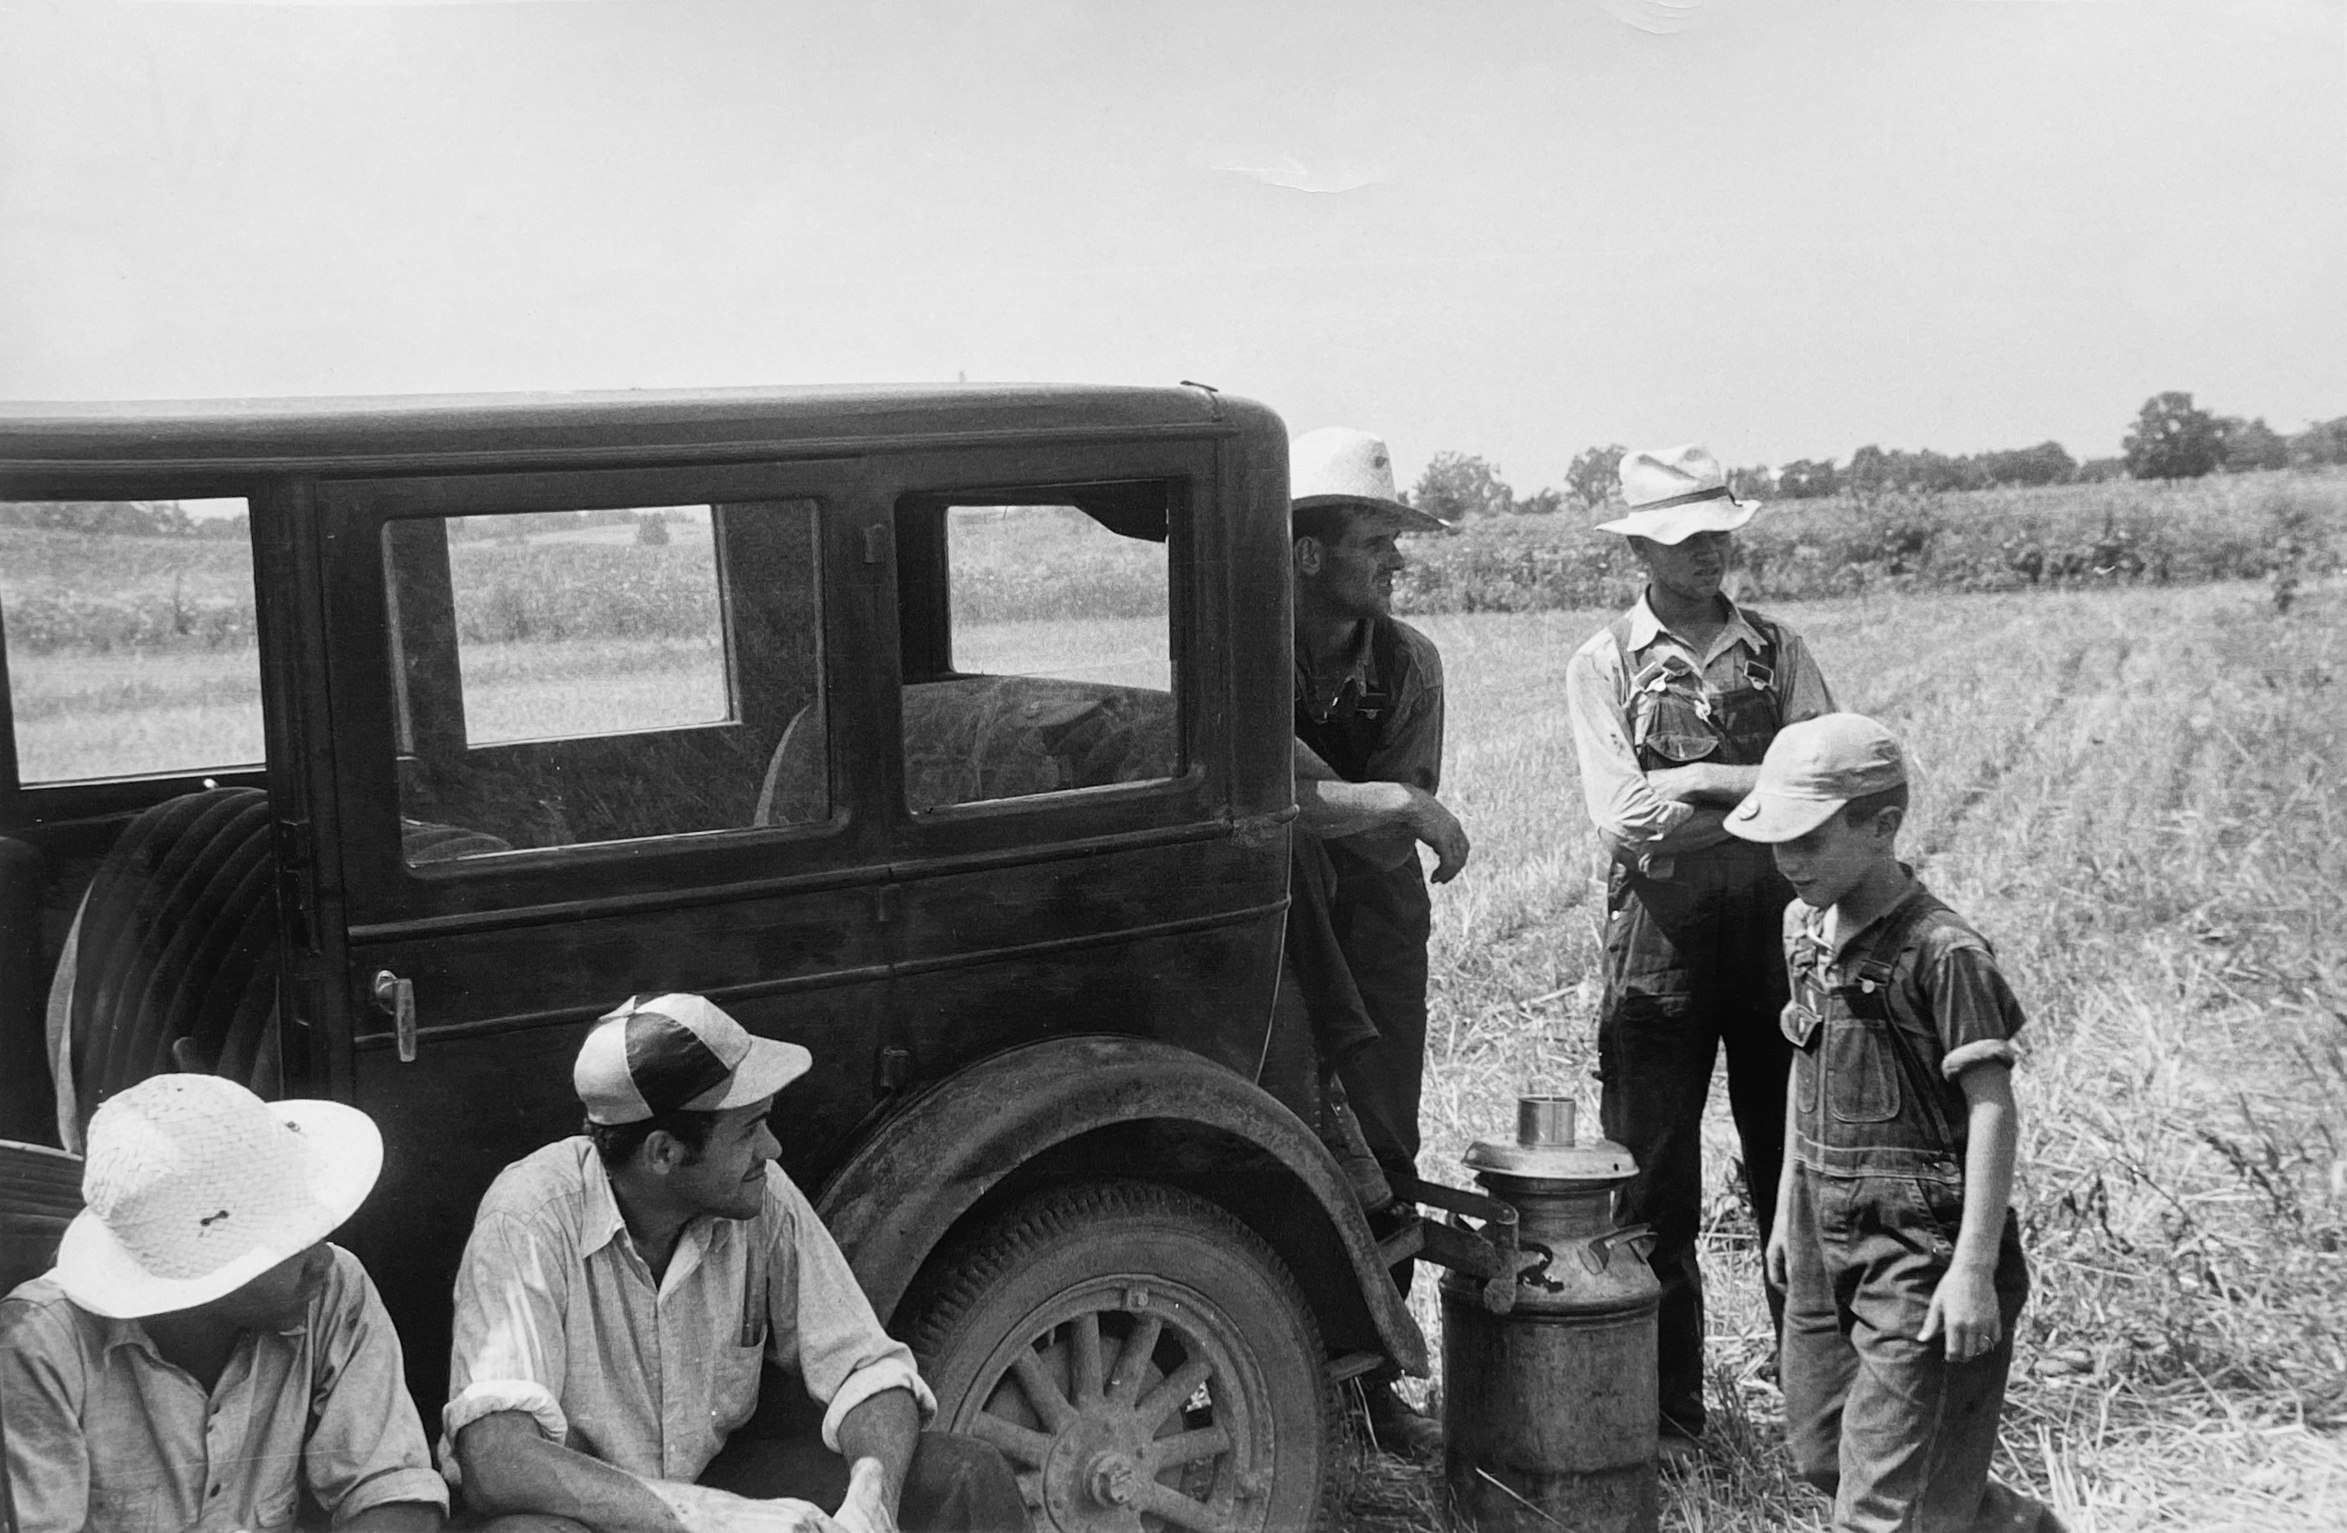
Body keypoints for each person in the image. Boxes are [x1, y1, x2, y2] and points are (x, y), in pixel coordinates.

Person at [442, 992, 1025, 1533]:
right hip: (595, 1513)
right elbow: (499, 1461)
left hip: (712, 1489)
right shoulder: (529, 1217)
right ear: (663, 1153)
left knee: (964, 1474)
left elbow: (865, 1369)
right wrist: (713, 1518)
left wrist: (872, 1497)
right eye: (749, 1129)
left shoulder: (760, 1193)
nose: (771, 1149)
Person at [1563, 442, 1837, 1458]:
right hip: (1657, 955)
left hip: (1778, 949)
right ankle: (1667, 1423)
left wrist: (1700, 784)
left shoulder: (1778, 647)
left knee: (1794, 1179)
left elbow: (1829, 787)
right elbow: (1627, 820)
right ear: (1637, 545)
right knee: (1650, 1194)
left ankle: (1814, 1415)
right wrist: (1760, 793)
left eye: (1717, 532)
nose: (1705, 553)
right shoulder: (1603, 663)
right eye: (1681, 538)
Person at [1727, 714, 2064, 1533]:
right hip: (1817, 1231)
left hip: (1923, 1247)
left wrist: (1973, 1269)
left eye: (1805, 837)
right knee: (1822, 1453)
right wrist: (1786, 1209)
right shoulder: (1801, 929)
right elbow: (1805, 1065)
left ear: (1881, 826)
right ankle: (2003, 1524)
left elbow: (1991, 1107)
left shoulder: (1941, 953)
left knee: (1876, 1508)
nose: (1786, 859)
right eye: (1773, 837)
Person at [0, 1073, 449, 1533]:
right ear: (205, 1279)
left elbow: (391, 1488)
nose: (320, 1259)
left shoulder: (333, 1287)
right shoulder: (39, 1346)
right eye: (288, 1242)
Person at [1286, 426, 1470, 1457]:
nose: (1396, 562)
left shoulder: (1409, 664)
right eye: (1376, 541)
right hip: (1271, 926)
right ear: (1308, 553)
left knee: (1385, 1151)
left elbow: (1325, 804)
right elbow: (1270, 798)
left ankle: (1370, 1387)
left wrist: (1358, 804)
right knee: (1283, 1138)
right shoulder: (1238, 647)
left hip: (1375, 928)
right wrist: (1388, 801)